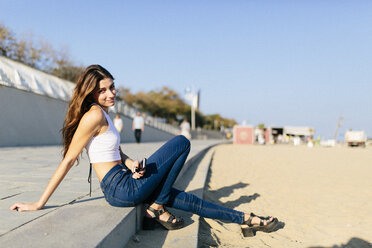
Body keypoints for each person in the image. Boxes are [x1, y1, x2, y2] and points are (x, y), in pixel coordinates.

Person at [10, 65, 279, 237]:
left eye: (112, 86)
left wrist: (129, 164)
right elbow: (68, 160)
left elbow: (112, 150)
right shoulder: (93, 116)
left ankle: (246, 219)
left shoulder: (101, 114)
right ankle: (158, 205)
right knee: (182, 142)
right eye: (102, 90)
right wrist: (39, 203)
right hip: (120, 189)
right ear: (91, 94)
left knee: (190, 201)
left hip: (125, 181)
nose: (110, 93)